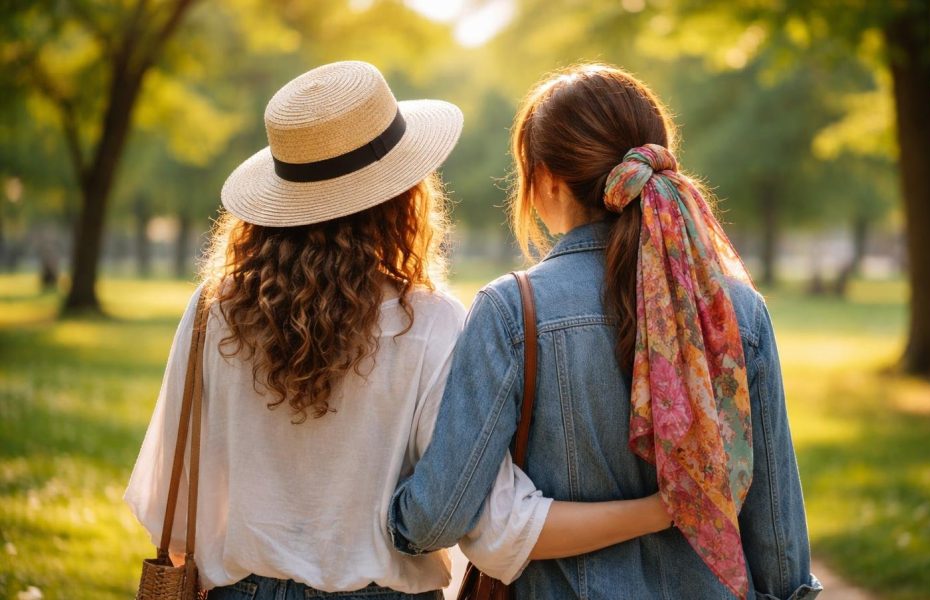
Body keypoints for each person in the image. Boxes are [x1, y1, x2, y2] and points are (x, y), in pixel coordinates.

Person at [125, 61, 670, 600]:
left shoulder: (213, 311)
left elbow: (169, 513)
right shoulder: (431, 322)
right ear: (404, 195)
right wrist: (660, 509)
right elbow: (489, 521)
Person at [389, 64, 824, 600]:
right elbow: (775, 523)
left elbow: (439, 517)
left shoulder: (512, 311)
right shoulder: (736, 310)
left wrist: (389, 524)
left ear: (547, 177)